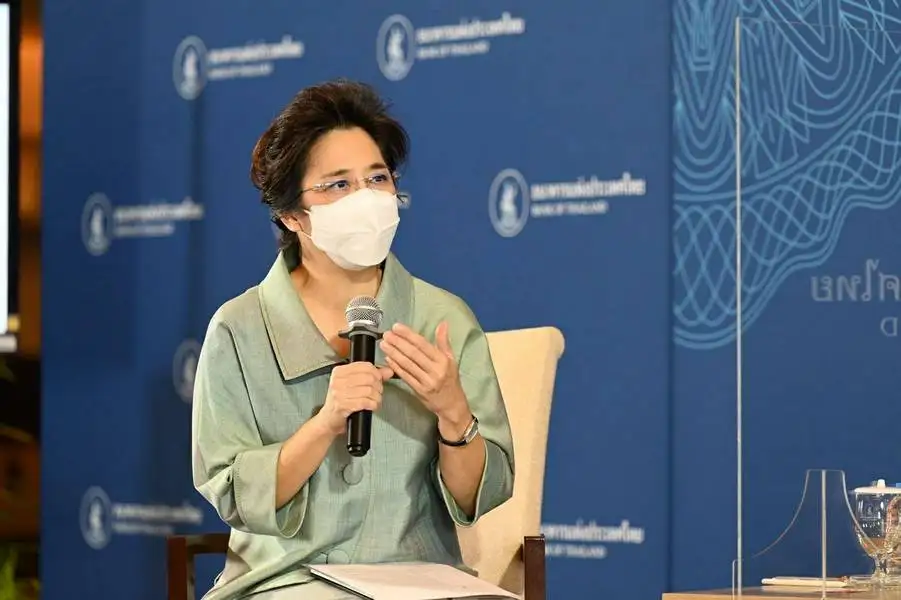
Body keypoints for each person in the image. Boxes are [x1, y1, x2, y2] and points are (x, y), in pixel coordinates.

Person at [191, 79, 515, 600]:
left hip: (419, 580)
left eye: (377, 178)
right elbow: (235, 494)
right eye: (338, 185)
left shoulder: (443, 318)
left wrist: (454, 413)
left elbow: (478, 496)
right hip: (284, 581)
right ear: (292, 215)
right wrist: (325, 424)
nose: (365, 198)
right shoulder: (238, 328)